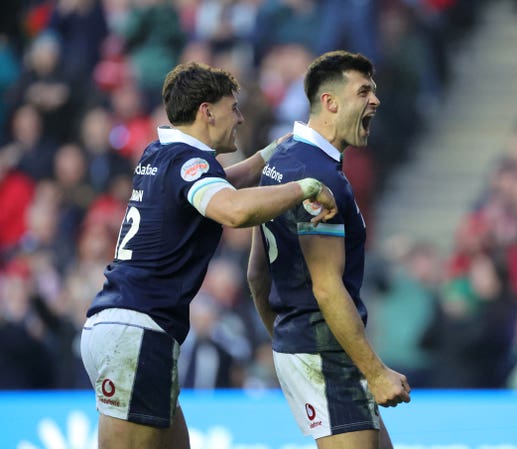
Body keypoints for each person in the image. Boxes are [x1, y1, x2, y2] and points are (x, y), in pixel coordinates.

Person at [80, 61, 337, 449]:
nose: (239, 117)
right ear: (207, 111)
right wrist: (305, 187)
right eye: (233, 107)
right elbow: (234, 210)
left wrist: (276, 151)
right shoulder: (189, 163)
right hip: (138, 331)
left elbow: (223, 186)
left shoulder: (159, 154)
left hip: (125, 327)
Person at [247, 50, 411, 449]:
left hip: (306, 343)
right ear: (330, 102)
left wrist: (284, 339)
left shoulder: (281, 161)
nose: (375, 100)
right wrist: (375, 372)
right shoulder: (318, 176)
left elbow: (257, 273)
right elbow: (326, 287)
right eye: (364, 91)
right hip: (322, 349)